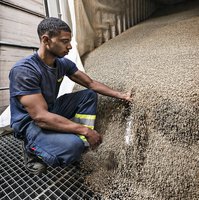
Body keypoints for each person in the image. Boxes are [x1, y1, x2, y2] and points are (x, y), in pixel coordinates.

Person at [9, 17, 132, 175]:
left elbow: (91, 84)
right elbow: (40, 117)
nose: (69, 47)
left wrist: (122, 95)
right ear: (46, 40)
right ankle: (31, 149)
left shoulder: (62, 63)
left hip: (51, 110)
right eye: (64, 41)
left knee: (89, 95)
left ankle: (79, 142)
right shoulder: (25, 71)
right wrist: (85, 131)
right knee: (72, 147)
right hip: (30, 123)